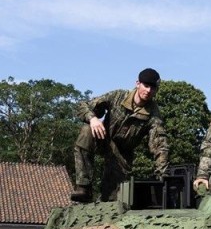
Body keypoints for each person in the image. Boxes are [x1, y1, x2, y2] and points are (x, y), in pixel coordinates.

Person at [71, 68, 169, 202]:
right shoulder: (118, 96)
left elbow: (160, 144)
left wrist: (162, 174)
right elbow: (83, 106)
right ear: (138, 83)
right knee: (86, 130)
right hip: (102, 137)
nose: (148, 91)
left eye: (153, 88)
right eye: (146, 86)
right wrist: (93, 119)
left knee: (112, 200)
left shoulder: (153, 114)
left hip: (122, 154)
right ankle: (83, 186)